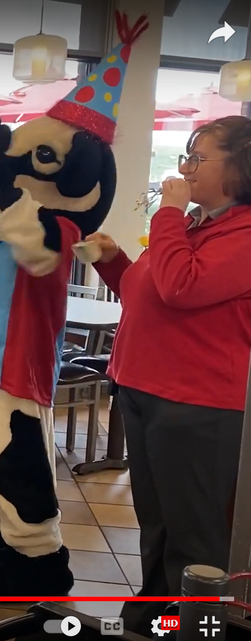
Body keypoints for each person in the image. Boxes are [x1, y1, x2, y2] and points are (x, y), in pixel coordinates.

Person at [83, 116, 251, 634]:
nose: (185, 168)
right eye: (187, 155)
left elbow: (182, 288)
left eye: (199, 157)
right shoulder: (195, 225)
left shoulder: (240, 234)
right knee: (156, 522)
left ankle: (199, 625)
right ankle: (153, 616)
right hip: (142, 387)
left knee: (194, 533)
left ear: (241, 168)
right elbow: (147, 292)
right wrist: (114, 262)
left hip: (197, 401)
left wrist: (170, 213)